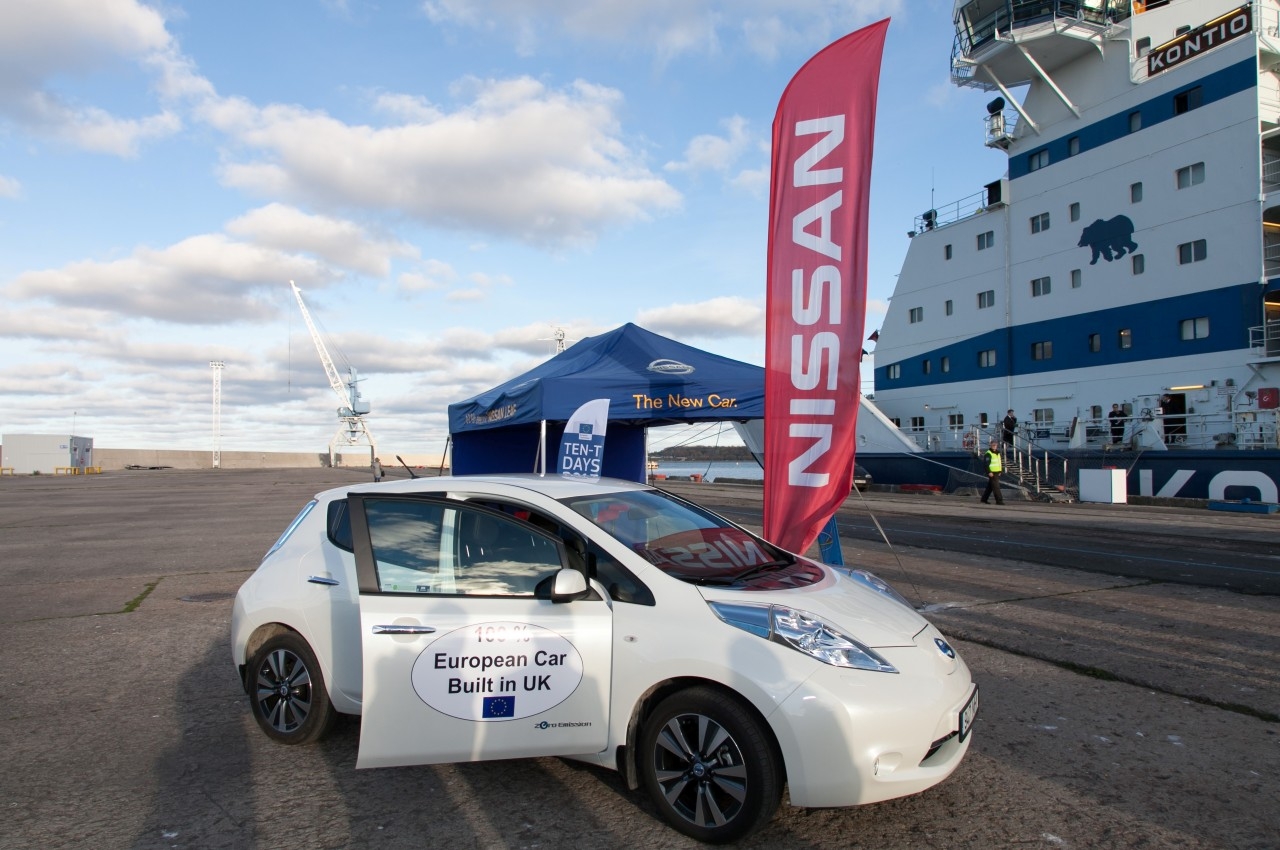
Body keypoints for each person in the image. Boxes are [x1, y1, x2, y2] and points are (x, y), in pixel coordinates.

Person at [981, 439, 1005, 505]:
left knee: (990, 487)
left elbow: (999, 463)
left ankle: (984, 499)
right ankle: (999, 501)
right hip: (992, 472)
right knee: (996, 487)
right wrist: (989, 472)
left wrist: (1000, 470)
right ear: (991, 445)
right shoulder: (988, 453)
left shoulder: (997, 453)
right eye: (993, 445)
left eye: (995, 445)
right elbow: (986, 464)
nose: (994, 446)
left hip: (997, 472)